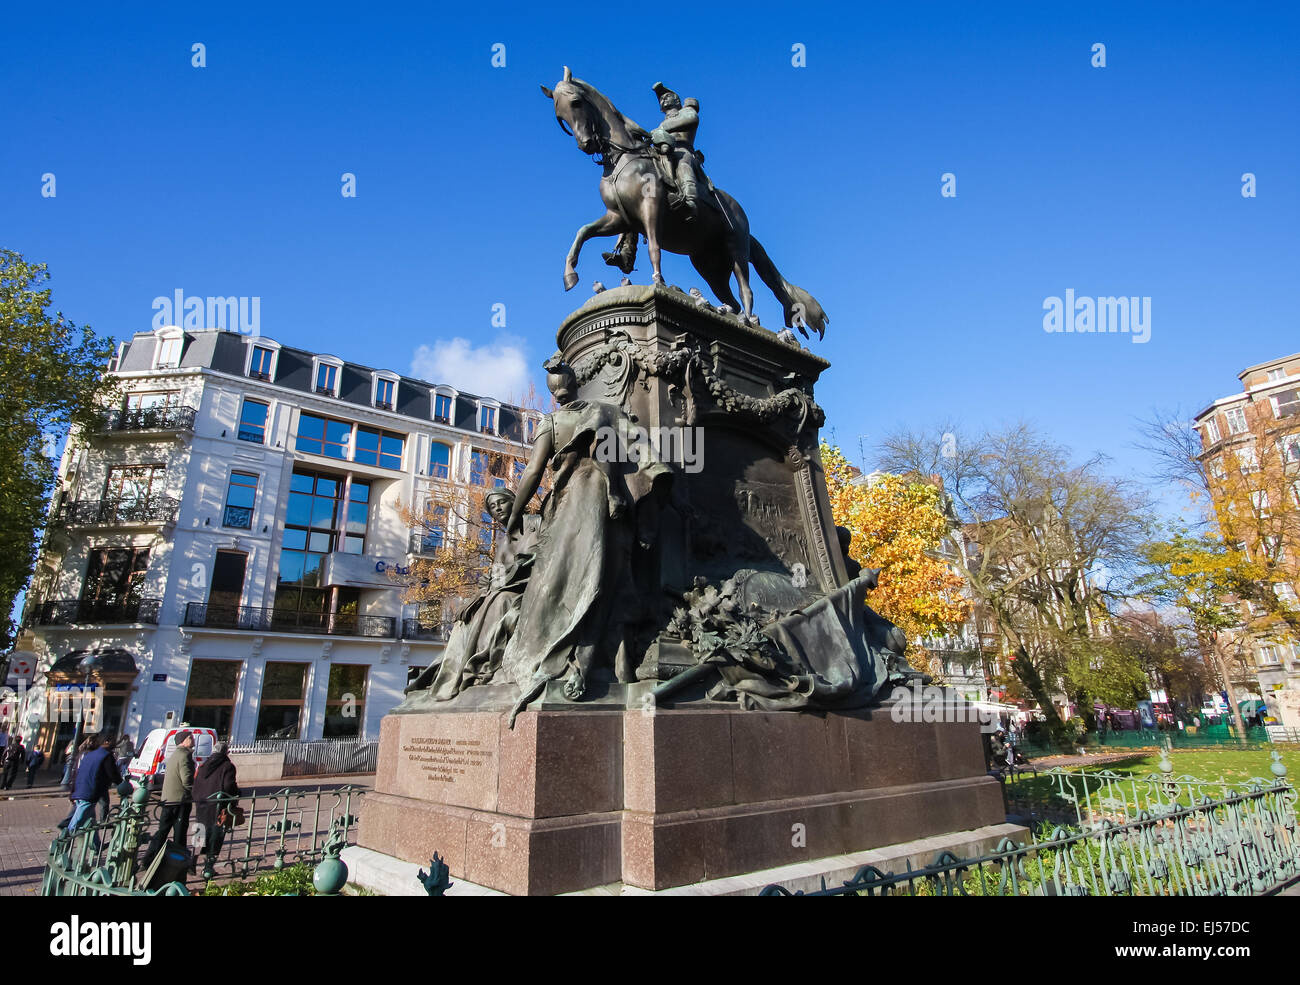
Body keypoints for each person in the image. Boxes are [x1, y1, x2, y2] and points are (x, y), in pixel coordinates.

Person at [405, 488, 542, 699]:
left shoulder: (535, 523)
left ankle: (484, 664)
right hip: (504, 588)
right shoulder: (503, 542)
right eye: (492, 507)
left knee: (501, 601)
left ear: (514, 501)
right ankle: (453, 673)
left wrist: (506, 575)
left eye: (501, 503)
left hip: (531, 588)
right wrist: (483, 586)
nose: (497, 509)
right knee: (466, 618)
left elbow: (544, 555)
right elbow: (495, 574)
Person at [141, 730, 196, 868]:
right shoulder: (185, 755)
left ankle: (149, 859)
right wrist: (194, 791)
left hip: (169, 799)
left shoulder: (175, 754)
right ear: (183, 741)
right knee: (179, 832)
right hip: (179, 800)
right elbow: (187, 779)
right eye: (190, 738)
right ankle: (178, 862)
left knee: (163, 830)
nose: (193, 739)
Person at [192, 741, 240, 878]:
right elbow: (229, 786)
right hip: (217, 807)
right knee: (215, 836)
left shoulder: (203, 765)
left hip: (202, 804)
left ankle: (192, 862)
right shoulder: (227, 766)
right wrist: (236, 795)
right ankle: (208, 867)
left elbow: (196, 784)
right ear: (226, 752)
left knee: (200, 833)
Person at [67, 735, 121, 834]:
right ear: (107, 742)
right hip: (90, 791)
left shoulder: (90, 754)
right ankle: (64, 842)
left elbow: (77, 773)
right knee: (76, 821)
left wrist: (73, 791)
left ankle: (95, 845)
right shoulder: (106, 756)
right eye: (113, 742)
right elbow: (113, 774)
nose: (115, 744)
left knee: (90, 821)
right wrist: (122, 784)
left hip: (81, 788)